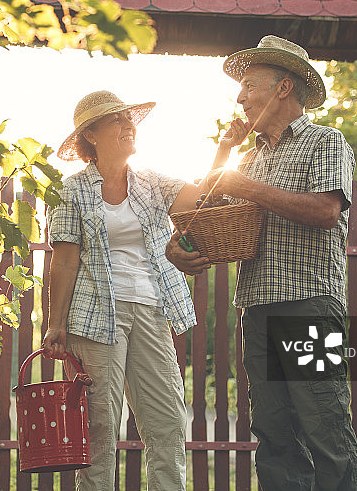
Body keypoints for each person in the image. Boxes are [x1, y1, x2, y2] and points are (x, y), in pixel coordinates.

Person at [166, 36, 357, 491]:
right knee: (273, 433)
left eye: (249, 86)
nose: (240, 98)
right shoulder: (250, 157)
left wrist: (248, 188)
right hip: (257, 309)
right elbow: (203, 216)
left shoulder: (325, 142)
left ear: (283, 88)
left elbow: (326, 211)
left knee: (325, 425)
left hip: (308, 305)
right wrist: (181, 250)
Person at [42, 90, 226, 490]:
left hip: (151, 311)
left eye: (130, 119)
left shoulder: (152, 182)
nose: (129, 126)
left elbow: (205, 199)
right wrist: (55, 324)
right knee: (100, 426)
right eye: (117, 120)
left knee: (168, 421)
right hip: (94, 318)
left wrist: (225, 149)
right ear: (91, 135)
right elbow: (65, 261)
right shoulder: (70, 190)